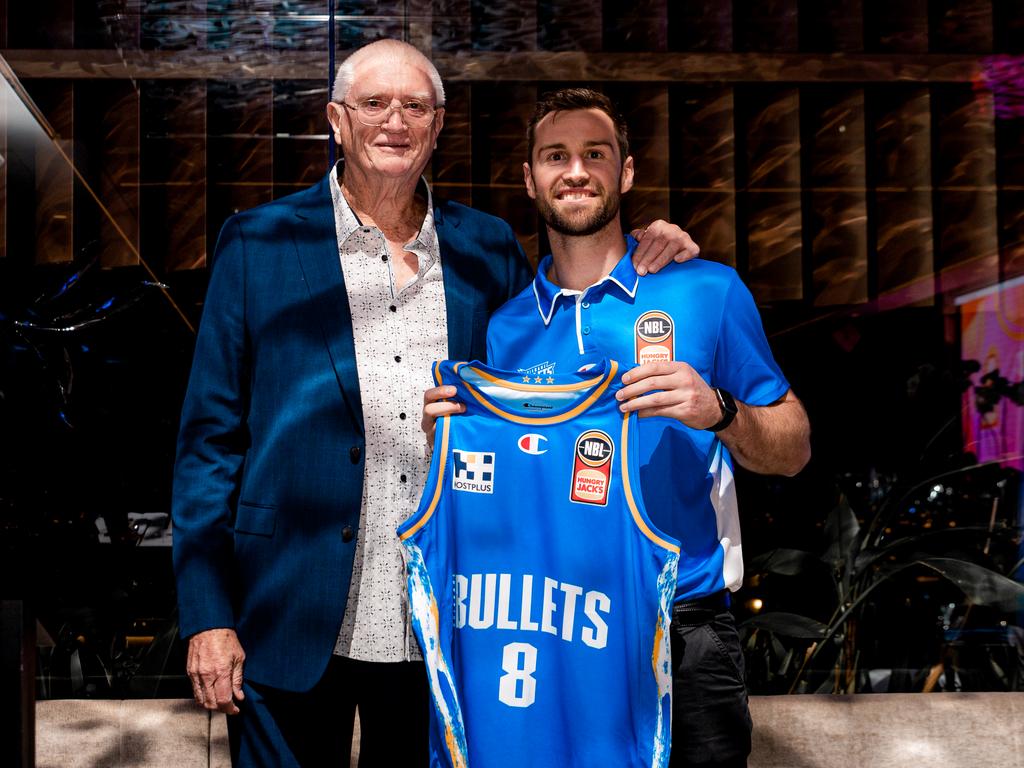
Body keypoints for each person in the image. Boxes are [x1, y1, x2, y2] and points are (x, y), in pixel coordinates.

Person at [172, 40, 700, 767]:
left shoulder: (487, 251)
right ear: (336, 119)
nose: (395, 122)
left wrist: (648, 245)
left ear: (438, 123)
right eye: (374, 104)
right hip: (284, 615)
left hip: (446, 626)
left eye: (414, 106)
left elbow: (552, 362)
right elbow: (208, 442)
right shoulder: (259, 242)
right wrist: (207, 614)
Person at [423, 88, 811, 767]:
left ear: (626, 173)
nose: (575, 171)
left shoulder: (705, 289)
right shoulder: (505, 326)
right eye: (556, 156)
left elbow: (794, 450)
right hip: (553, 628)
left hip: (683, 629)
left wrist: (719, 409)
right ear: (530, 178)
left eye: (594, 154)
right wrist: (450, 444)